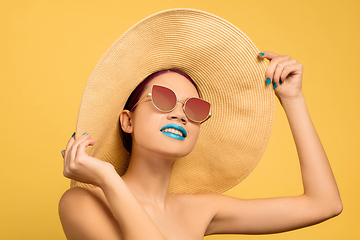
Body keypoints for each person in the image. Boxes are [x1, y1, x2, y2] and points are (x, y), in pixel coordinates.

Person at [58, 9, 342, 240]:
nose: (180, 115)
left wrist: (292, 98)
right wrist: (108, 179)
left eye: (195, 108)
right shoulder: (82, 203)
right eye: (162, 98)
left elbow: (325, 204)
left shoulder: (201, 209)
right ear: (127, 121)